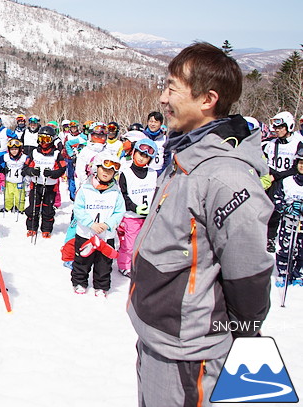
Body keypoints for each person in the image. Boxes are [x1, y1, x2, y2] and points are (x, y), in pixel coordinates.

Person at [128, 42, 273, 407]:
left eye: (172, 88)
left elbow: (248, 277)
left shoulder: (225, 177)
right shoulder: (184, 154)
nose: (162, 98)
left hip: (190, 353)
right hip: (160, 339)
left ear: (207, 99)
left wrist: (228, 340)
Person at [70, 152, 125, 296]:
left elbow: (120, 212)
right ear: (96, 168)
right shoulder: (85, 189)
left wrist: (108, 224)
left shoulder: (116, 192)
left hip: (106, 235)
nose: (106, 173)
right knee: (82, 260)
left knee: (104, 263)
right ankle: (80, 282)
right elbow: (78, 209)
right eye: (104, 169)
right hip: (86, 233)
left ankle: (101, 286)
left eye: (111, 170)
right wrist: (90, 224)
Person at [116, 139, 158, 278]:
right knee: (129, 244)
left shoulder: (153, 174)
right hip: (131, 217)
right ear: (134, 153)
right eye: (140, 154)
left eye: (146, 156)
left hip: (148, 217)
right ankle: (124, 265)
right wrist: (135, 208)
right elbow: (123, 196)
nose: (142, 157)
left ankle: (141, 264)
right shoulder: (126, 173)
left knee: (146, 243)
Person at [263, 111, 303, 252]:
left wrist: (278, 176)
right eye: (276, 128)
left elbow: (296, 167)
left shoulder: (297, 143)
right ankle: (268, 237)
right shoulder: (272, 144)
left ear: (289, 127)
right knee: (269, 209)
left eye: (281, 128)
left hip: (289, 181)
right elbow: (265, 161)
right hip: (273, 180)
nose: (277, 130)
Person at [23, 125, 65, 238]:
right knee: (33, 207)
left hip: (50, 186)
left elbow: (62, 169)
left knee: (48, 209)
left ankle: (46, 229)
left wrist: (52, 174)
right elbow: (25, 167)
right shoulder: (34, 152)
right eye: (42, 139)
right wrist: (32, 171)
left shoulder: (56, 154)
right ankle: (32, 227)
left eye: (47, 139)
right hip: (36, 185)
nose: (44, 142)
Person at [271, 147, 303, 286]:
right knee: (286, 247)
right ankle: (284, 272)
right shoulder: (287, 181)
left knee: (301, 249)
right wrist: (287, 208)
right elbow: (277, 199)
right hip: (289, 222)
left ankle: (298, 273)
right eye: (301, 162)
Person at [0, 138, 28, 213]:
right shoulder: (6, 157)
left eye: (16, 149)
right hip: (9, 181)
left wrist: (26, 170)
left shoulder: (24, 157)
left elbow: (31, 163)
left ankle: (20, 208)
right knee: (8, 196)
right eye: (12, 149)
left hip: (19, 181)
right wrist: (1, 169)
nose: (14, 151)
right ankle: (8, 207)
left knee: (20, 196)